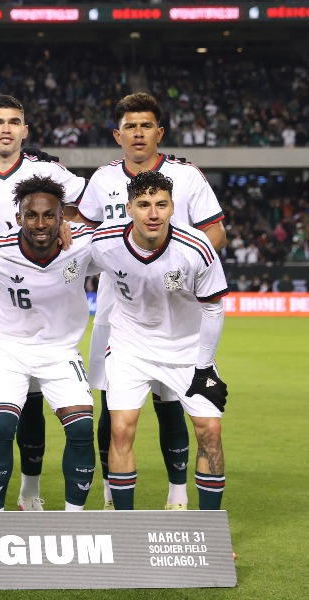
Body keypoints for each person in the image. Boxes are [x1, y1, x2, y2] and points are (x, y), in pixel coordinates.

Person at [76, 92, 226, 510]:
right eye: (130, 127)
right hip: (118, 302)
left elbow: (215, 233)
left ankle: (178, 493)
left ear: (159, 132)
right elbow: (83, 240)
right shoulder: (103, 179)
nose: (138, 134)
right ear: (117, 134)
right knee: (112, 402)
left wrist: (179, 270)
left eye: (146, 126)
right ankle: (112, 494)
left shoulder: (187, 176)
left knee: (172, 403)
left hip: (178, 304)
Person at [0, 94, 86, 511]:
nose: (6, 129)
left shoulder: (48, 172)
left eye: (14, 122)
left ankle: (29, 491)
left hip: (38, 296)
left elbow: (92, 212)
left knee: (35, 401)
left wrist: (69, 224)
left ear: (25, 131)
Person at [0, 175, 97, 511]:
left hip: (59, 350)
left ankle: (75, 521)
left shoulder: (84, 243)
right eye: (31, 215)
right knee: (0, 425)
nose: (40, 223)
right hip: (5, 347)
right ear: (18, 218)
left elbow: (127, 234)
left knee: (83, 428)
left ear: (62, 217)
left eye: (49, 216)